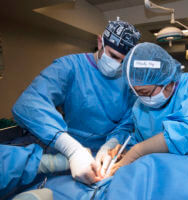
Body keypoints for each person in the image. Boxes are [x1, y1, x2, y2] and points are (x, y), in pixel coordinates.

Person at [12, 20, 141, 185]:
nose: (117, 65)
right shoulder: (70, 67)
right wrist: (72, 150)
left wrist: (112, 144)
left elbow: (127, 121)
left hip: (106, 158)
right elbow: (28, 104)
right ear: (100, 42)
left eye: (124, 62)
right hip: (68, 154)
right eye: (114, 56)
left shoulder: (127, 80)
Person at [106, 42, 188, 176]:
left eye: (144, 92)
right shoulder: (139, 106)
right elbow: (142, 138)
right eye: (136, 93)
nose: (141, 98)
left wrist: (138, 150)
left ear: (166, 81)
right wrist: (127, 150)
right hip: (164, 171)